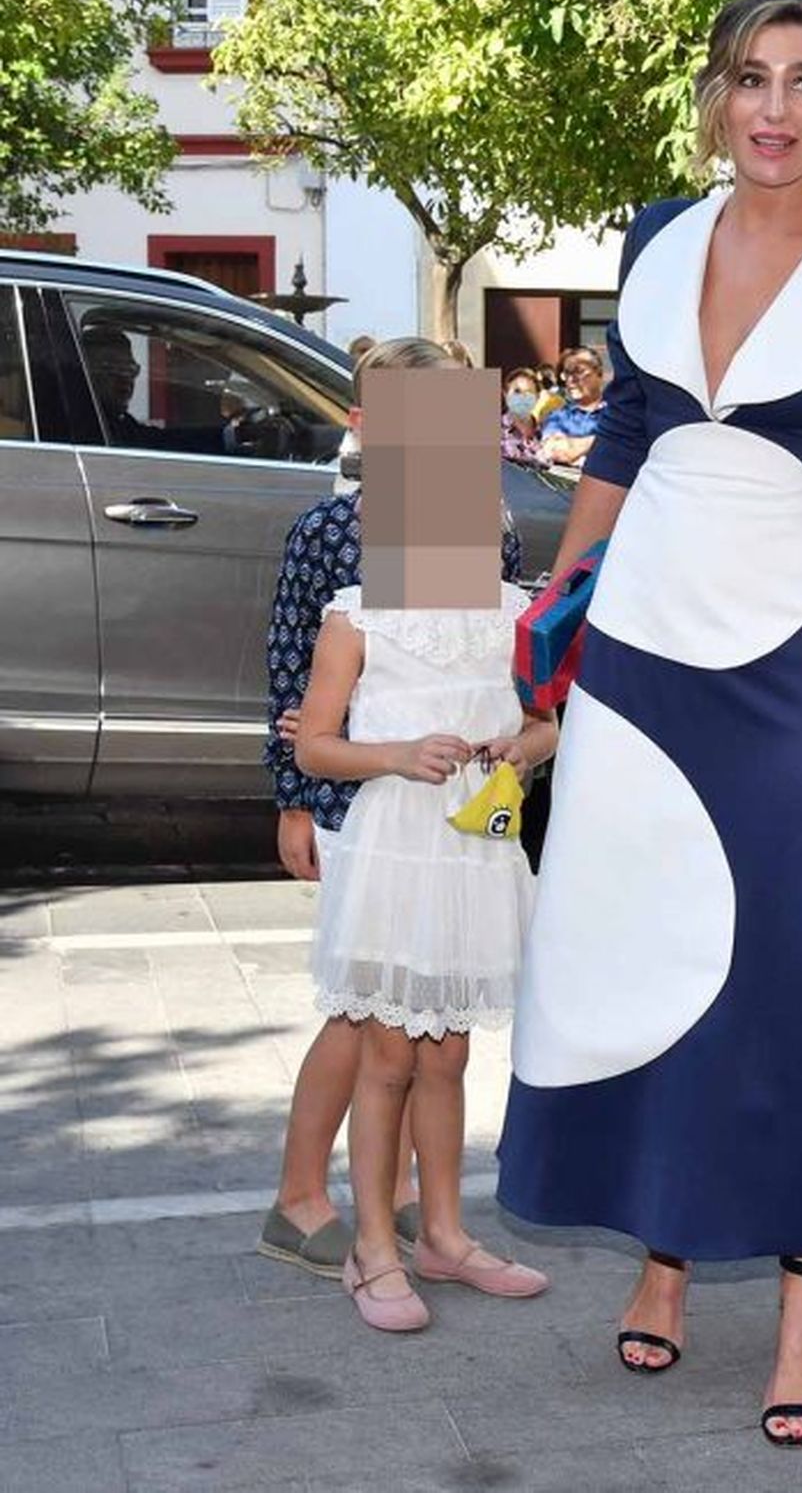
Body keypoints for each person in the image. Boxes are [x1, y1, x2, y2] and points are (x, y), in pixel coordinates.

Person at [496, 0, 802, 1448]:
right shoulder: (652, 234)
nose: (776, 107)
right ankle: (663, 1247)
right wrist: (555, 620)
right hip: (640, 643)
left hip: (787, 654)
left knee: (793, 964)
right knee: (638, 934)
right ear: (718, 95)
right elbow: (629, 431)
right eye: (753, 79)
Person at [258, 338, 523, 1280]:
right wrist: (295, 800)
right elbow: (296, 682)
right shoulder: (331, 536)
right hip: (359, 797)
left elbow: (497, 668)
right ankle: (300, 1198)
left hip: (456, 809)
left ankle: (414, 1201)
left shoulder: (485, 531)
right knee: (367, 1015)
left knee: (428, 1010)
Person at [295, 536, 555, 1331]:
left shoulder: (516, 614)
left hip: (474, 850)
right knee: (386, 1057)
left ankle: (443, 1234)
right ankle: (373, 1247)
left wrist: (522, 746)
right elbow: (314, 744)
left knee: (449, 1052)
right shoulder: (356, 615)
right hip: (394, 851)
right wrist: (398, 756)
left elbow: (549, 722)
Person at [539, 345, 608, 466]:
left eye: (579, 372)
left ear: (599, 373)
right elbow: (556, 452)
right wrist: (608, 438)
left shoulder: (618, 414)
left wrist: (574, 447)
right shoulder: (558, 417)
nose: (571, 379)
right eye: (567, 373)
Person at [500, 367, 546, 468]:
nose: (522, 397)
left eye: (528, 392)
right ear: (505, 394)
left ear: (537, 397)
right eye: (517, 391)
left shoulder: (546, 431)